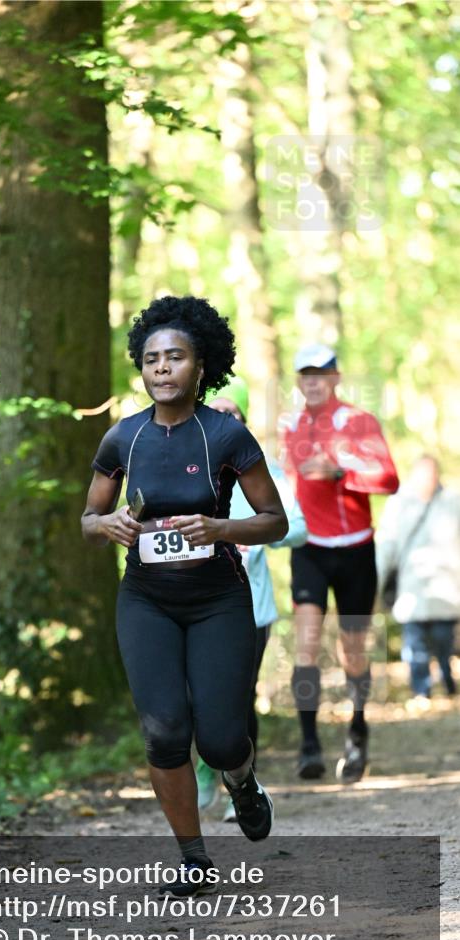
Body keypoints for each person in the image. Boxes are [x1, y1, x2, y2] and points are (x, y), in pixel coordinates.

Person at [81, 296, 288, 897]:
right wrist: (109, 524)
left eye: (176, 357)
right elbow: (88, 519)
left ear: (202, 366)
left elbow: (273, 520)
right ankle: (193, 857)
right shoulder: (123, 437)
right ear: (141, 370)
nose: (163, 368)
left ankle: (242, 781)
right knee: (165, 731)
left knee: (222, 738)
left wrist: (221, 528)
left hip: (218, 596)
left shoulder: (226, 434)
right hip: (145, 599)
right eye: (152, 359)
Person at [281, 344, 399, 782]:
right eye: (305, 374)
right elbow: (280, 480)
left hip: (354, 548)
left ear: (336, 377)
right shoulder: (288, 425)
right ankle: (308, 745)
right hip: (308, 547)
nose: (312, 381)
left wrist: (341, 474)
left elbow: (389, 479)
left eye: (321, 373)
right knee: (307, 644)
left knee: (351, 648)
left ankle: (357, 729)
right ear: (298, 381)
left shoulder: (359, 422)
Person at [194, 376, 308, 818]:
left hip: (251, 607)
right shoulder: (190, 466)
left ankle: (240, 785)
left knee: (239, 697)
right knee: (198, 697)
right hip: (196, 603)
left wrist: (259, 540)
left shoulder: (261, 468)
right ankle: (206, 766)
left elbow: (295, 527)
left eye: (233, 414)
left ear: (244, 420)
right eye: (217, 412)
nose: (225, 420)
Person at [376, 454, 459, 700]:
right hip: (410, 591)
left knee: (444, 643)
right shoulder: (399, 504)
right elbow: (386, 546)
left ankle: (446, 679)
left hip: (446, 589)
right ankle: (421, 690)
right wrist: (375, 584)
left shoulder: (452, 502)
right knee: (414, 646)